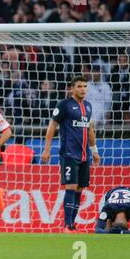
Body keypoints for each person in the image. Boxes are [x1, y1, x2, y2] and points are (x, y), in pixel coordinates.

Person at [42, 76, 101, 233]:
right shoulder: (64, 105)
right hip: (69, 154)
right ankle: (67, 226)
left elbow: (89, 130)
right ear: (72, 88)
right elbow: (52, 126)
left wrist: (94, 151)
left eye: (85, 86)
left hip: (84, 155)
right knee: (71, 187)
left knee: (80, 189)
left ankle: (72, 224)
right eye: (79, 86)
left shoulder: (88, 106)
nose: (83, 89)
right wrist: (47, 149)